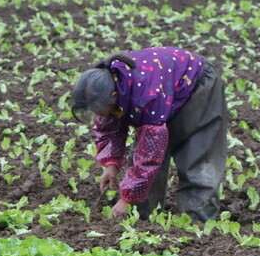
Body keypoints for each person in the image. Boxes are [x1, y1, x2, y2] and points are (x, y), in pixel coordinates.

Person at [71, 47, 228, 222]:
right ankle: (142, 220)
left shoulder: (146, 98)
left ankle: (199, 223)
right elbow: (109, 128)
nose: (96, 114)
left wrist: (126, 198)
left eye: (99, 110)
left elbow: (150, 157)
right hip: (164, 87)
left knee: (197, 155)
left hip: (196, 83)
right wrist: (111, 163)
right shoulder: (105, 88)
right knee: (144, 153)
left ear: (114, 96)